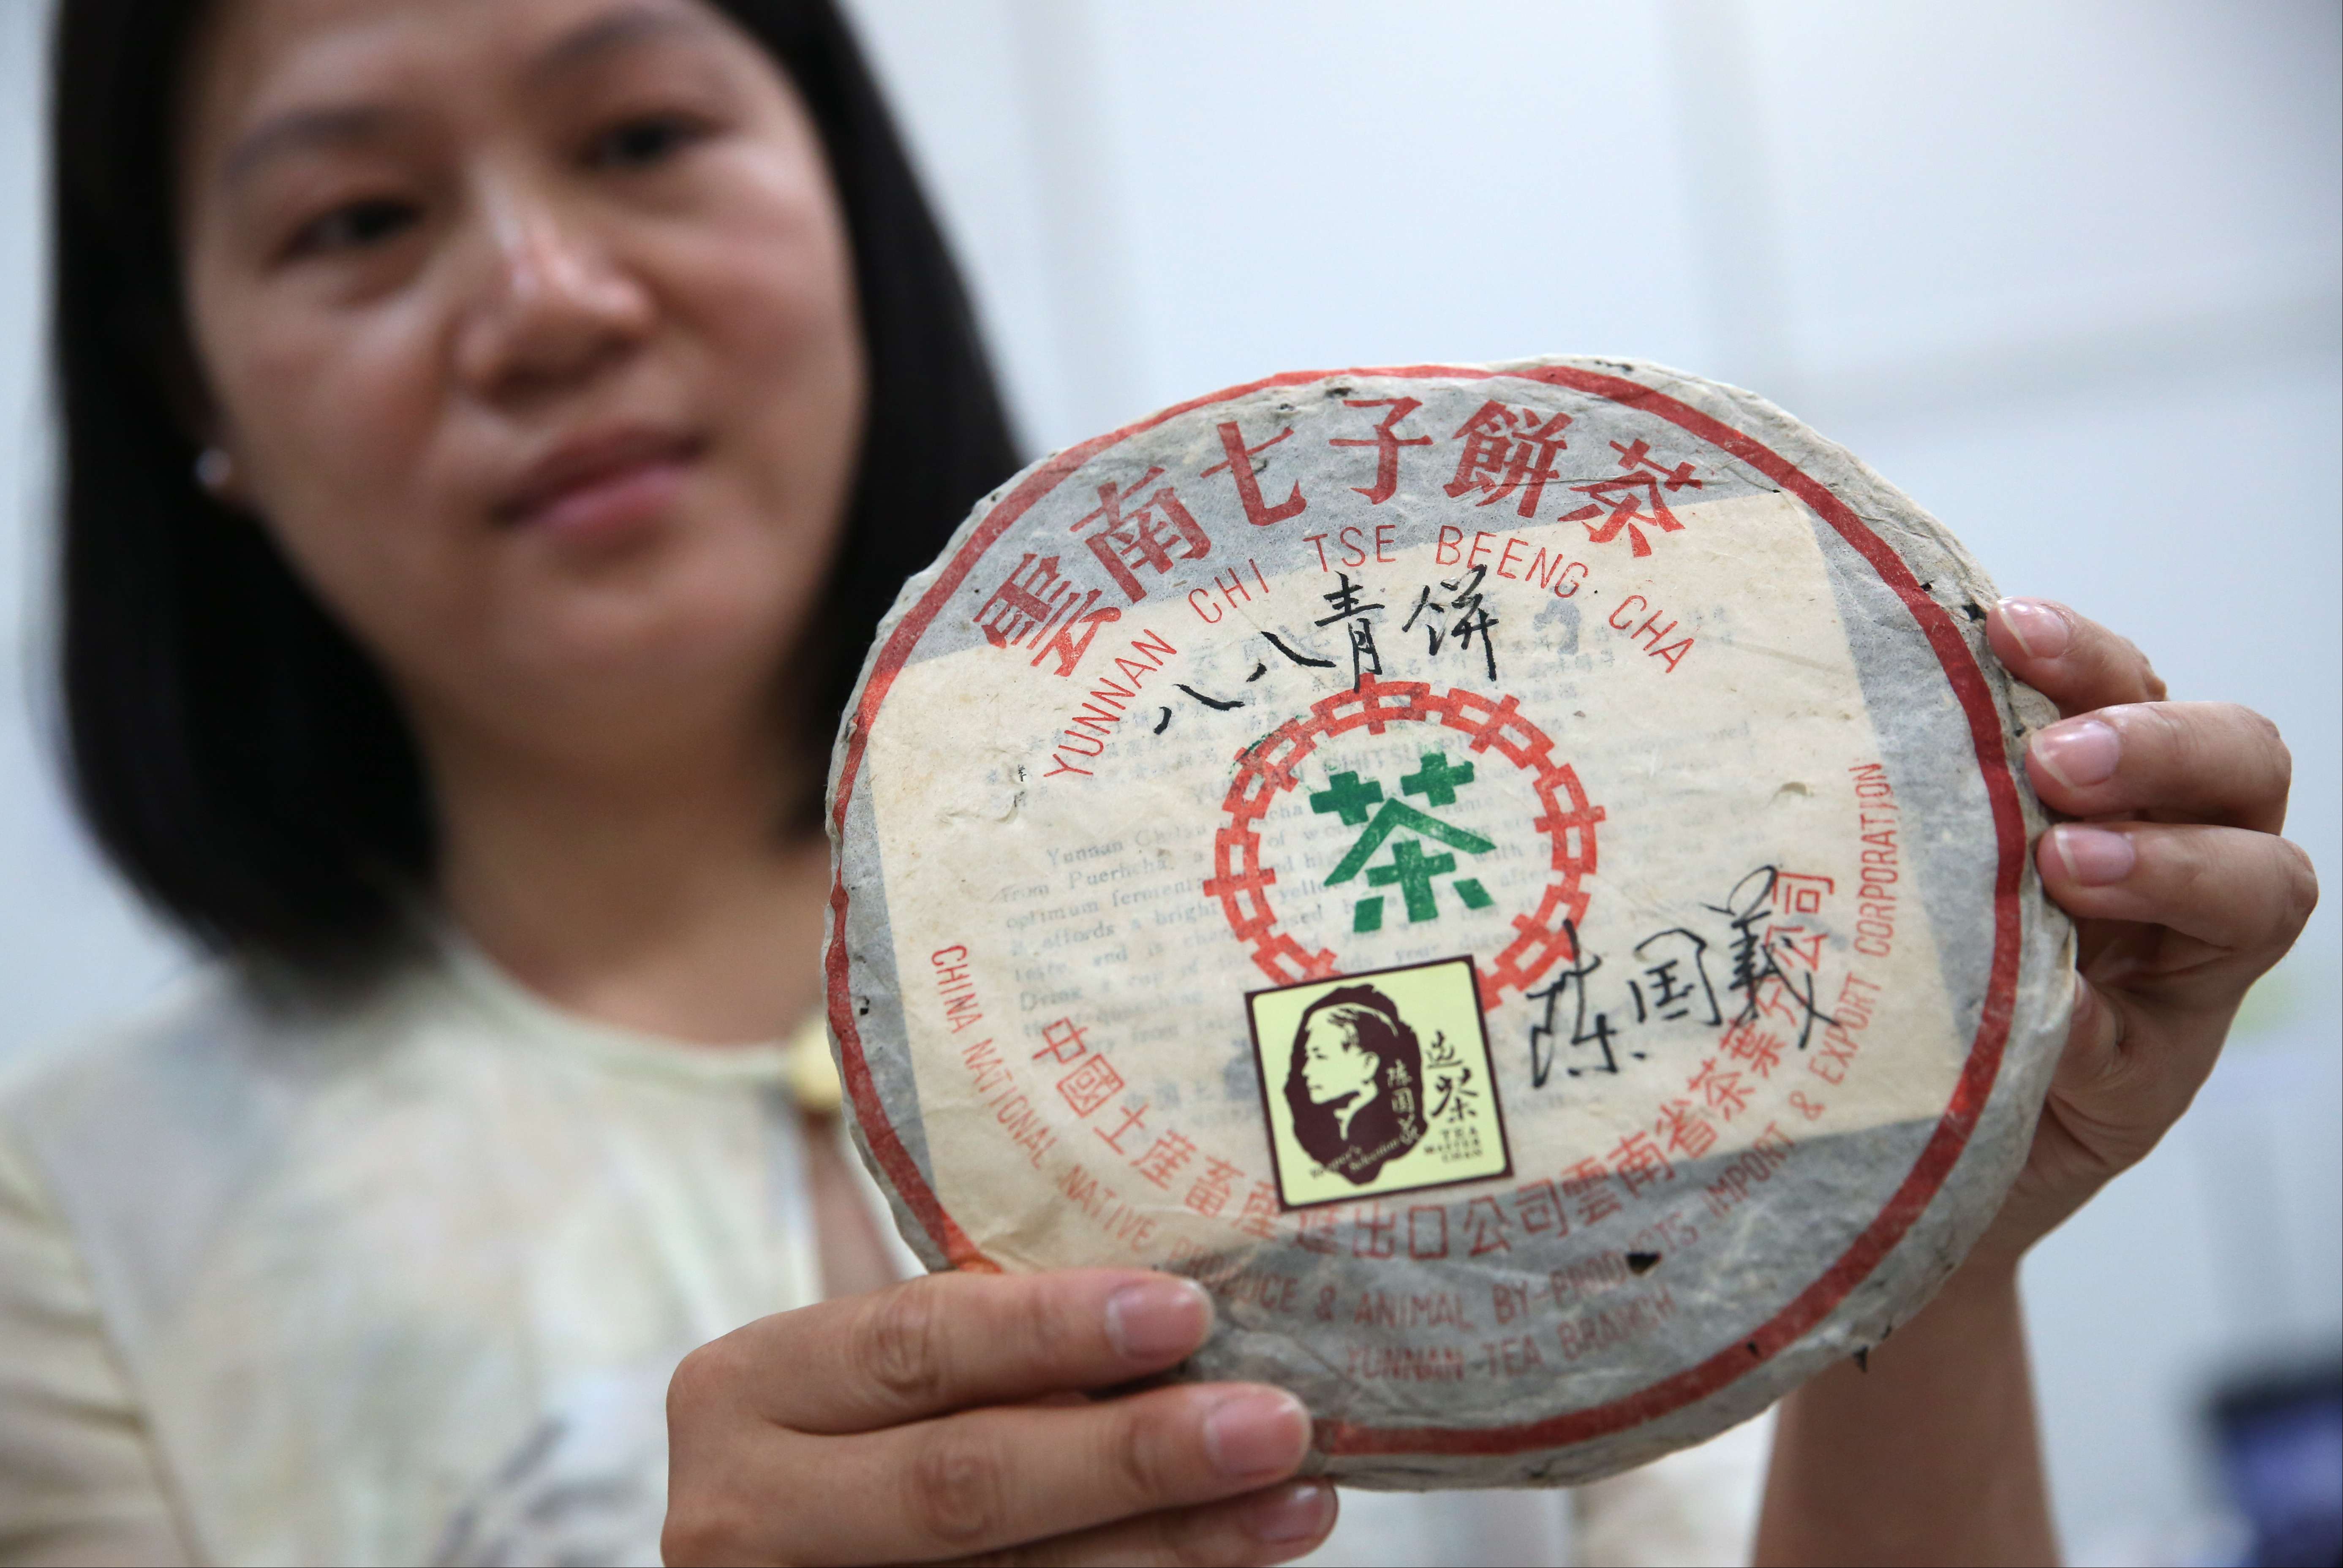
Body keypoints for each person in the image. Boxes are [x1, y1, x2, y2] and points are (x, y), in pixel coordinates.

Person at [0, 0, 2315, 1564]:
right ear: (177, 373)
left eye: (639, 136)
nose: (543, 297)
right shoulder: (75, 1242)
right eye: (354, 223)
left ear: (843, 200)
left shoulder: (1482, 896)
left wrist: (1933, 1224)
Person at [1285, 986, 1426, 1185]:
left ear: (1367, 1065)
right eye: (1308, 1057)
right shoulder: (1320, 1128)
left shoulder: (1397, 1126)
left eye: (1321, 1057)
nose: (1306, 1071)